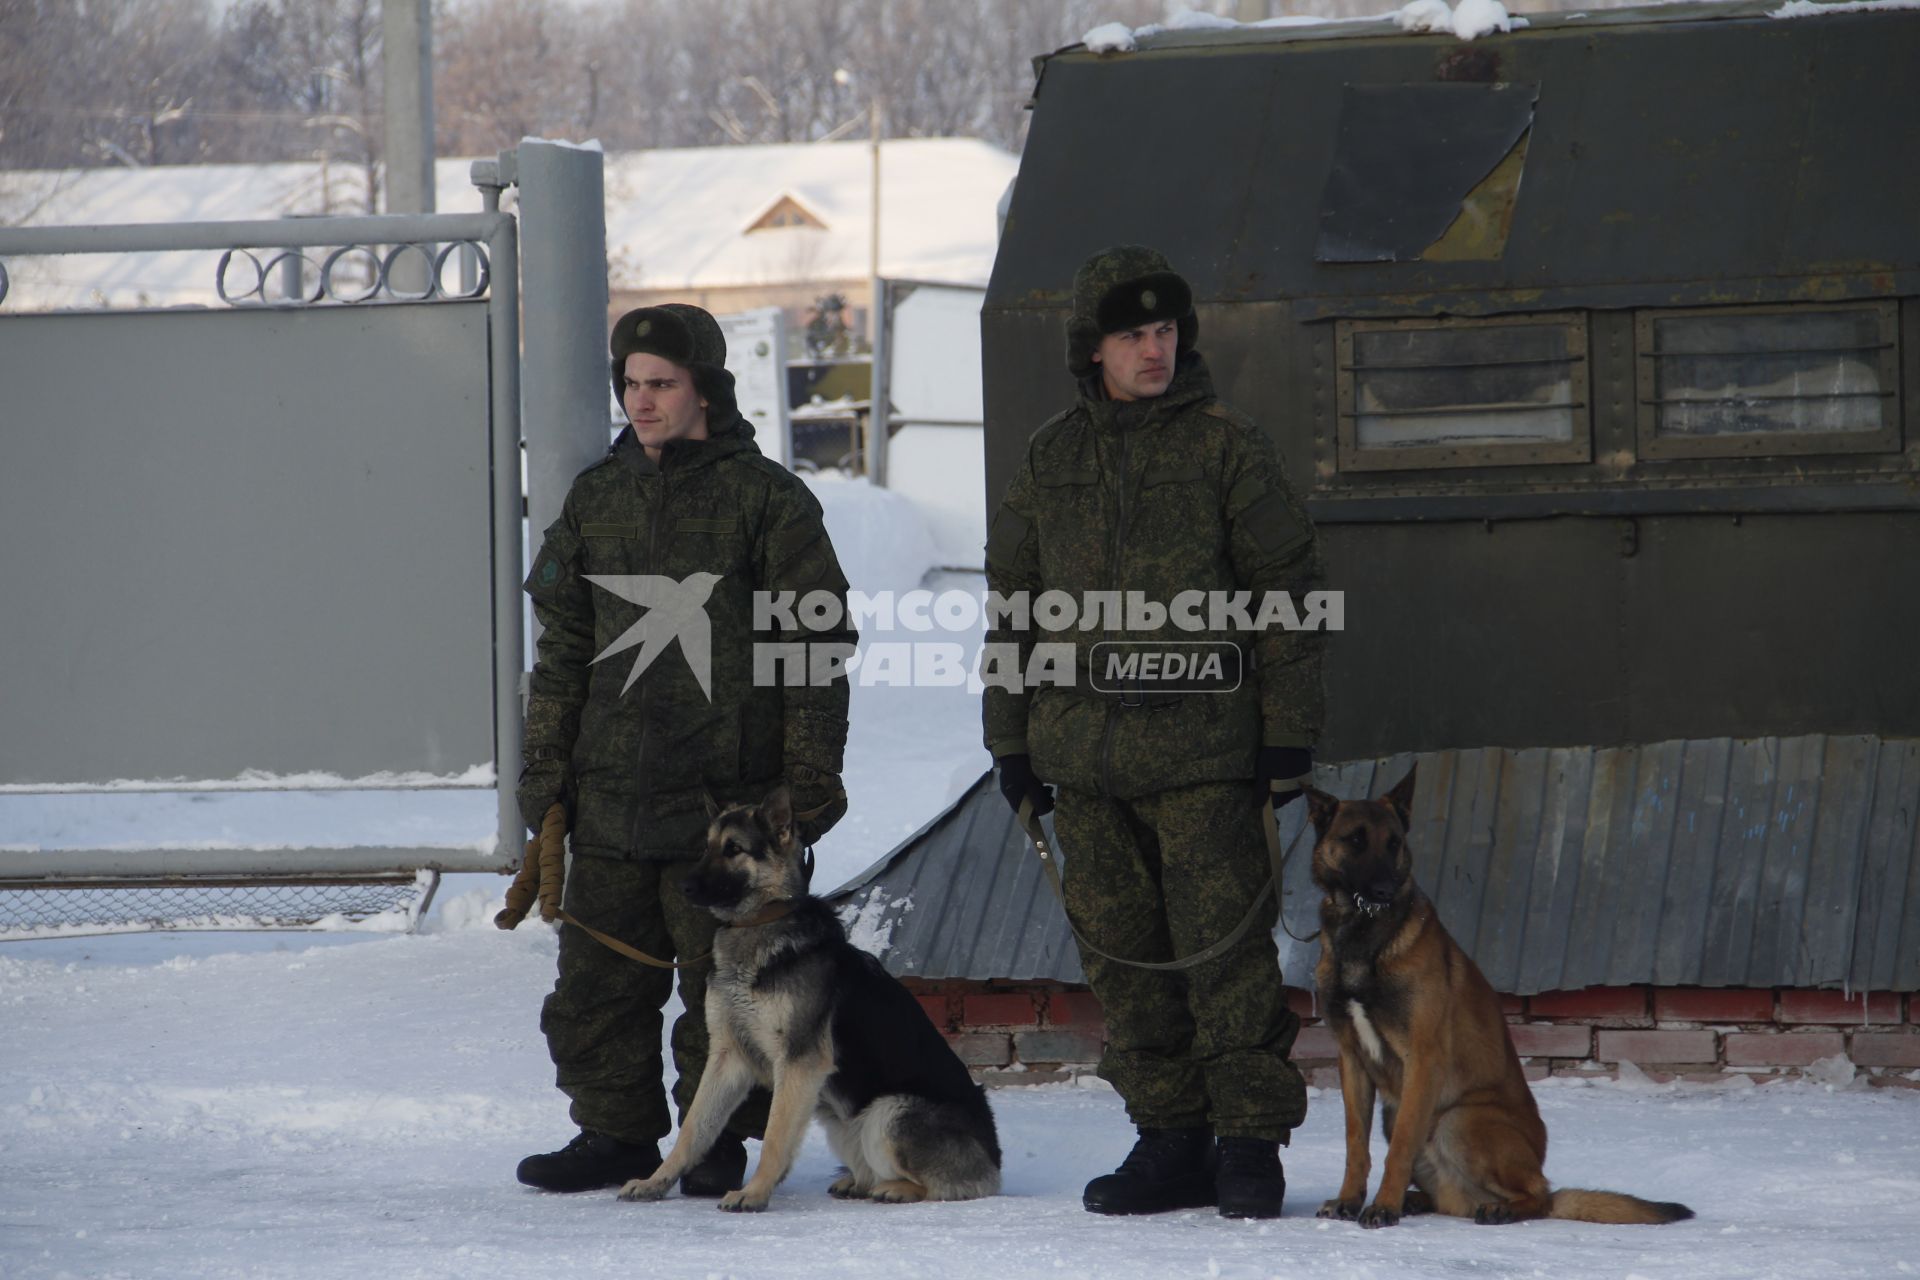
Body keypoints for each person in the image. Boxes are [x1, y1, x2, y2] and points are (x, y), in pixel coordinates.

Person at [982, 246, 1325, 1220]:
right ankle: (1169, 1138)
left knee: (1225, 955)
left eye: (1167, 330)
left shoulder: (1227, 448)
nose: (1154, 348)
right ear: (1093, 347)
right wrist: (1009, 737)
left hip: (1205, 760)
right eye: (1134, 333)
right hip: (1083, 761)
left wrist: (1285, 735)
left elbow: (1288, 595)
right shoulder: (1053, 456)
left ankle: (1248, 1144)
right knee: (1124, 962)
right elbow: (1014, 601)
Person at [513, 303, 855, 1194]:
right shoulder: (598, 498)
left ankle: (720, 1147)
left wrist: (809, 783)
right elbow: (559, 654)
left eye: (661, 383)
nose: (641, 401)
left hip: (725, 814)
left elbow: (814, 648)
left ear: (706, 387)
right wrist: (546, 779)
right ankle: (616, 1137)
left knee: (730, 997)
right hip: (611, 797)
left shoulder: (768, 499)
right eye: (630, 385)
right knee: (595, 993)